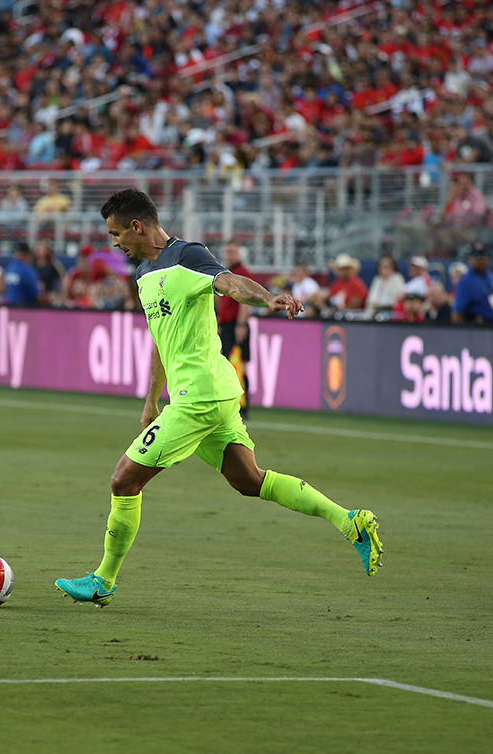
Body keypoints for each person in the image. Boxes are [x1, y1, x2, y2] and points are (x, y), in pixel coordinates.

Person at [54, 189, 383, 606]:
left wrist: (267, 297)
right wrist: (151, 401)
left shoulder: (188, 256)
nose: (114, 242)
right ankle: (350, 521)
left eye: (117, 233)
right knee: (249, 480)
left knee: (124, 480)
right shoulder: (143, 275)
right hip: (210, 394)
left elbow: (229, 283)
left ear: (138, 226)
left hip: (201, 398)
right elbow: (160, 340)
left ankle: (103, 579)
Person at [216, 243, 256, 419]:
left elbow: (245, 300)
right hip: (226, 324)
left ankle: (242, 405)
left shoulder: (242, 273)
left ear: (239, 253)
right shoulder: (225, 272)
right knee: (228, 366)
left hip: (235, 325)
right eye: (227, 251)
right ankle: (233, 404)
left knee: (237, 365)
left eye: (232, 251)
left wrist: (241, 324)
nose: (229, 255)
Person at [451, 242, 493, 325]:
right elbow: (457, 313)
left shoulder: (490, 275)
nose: (481, 261)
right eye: (477, 258)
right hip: (478, 328)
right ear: (470, 259)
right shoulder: (466, 282)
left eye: (483, 257)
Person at [3, 242, 41, 307]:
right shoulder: (27, 270)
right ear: (26, 255)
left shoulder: (10, 267)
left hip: (8, 306)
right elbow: (36, 294)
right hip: (23, 308)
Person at [32, 241, 67, 306]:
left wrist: (61, 295)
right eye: (39, 250)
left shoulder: (54, 264)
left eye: (43, 250)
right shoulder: (31, 264)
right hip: (35, 294)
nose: (41, 252)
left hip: (49, 294)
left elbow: (63, 278)